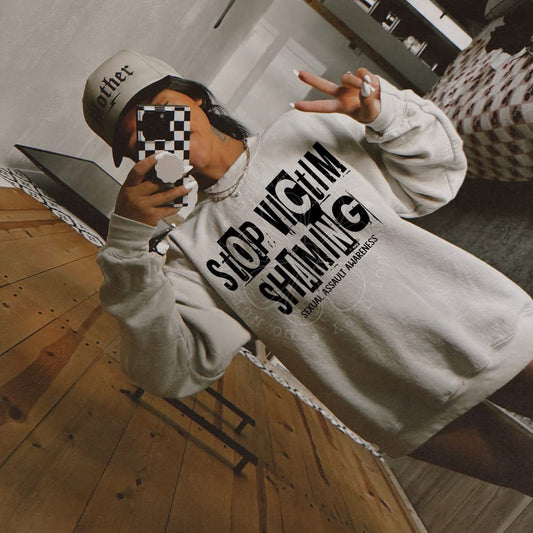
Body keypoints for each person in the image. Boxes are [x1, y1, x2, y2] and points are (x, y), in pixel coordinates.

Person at [83, 50, 533, 495]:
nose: (159, 133)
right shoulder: (189, 251)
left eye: (162, 109)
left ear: (196, 98)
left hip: (478, 324)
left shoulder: (301, 130)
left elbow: (436, 177)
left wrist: (388, 115)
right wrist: (127, 246)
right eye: (137, 136)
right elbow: (169, 370)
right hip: (397, 400)